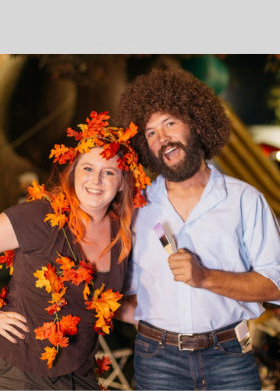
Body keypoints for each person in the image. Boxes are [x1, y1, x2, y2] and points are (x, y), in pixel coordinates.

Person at [0, 112, 143, 389]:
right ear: (73, 173)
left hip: (78, 372)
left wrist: (165, 323)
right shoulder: (39, 217)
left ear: (121, 183)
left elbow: (108, 304)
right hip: (17, 369)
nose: (96, 180)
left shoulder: (121, 236)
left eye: (109, 172)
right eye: (88, 168)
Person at [117, 69, 280, 390]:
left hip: (230, 358)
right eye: (150, 133)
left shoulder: (245, 200)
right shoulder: (136, 206)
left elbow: (275, 284)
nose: (162, 138)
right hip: (157, 360)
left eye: (170, 123)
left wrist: (205, 278)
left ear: (197, 124)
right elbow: (122, 286)